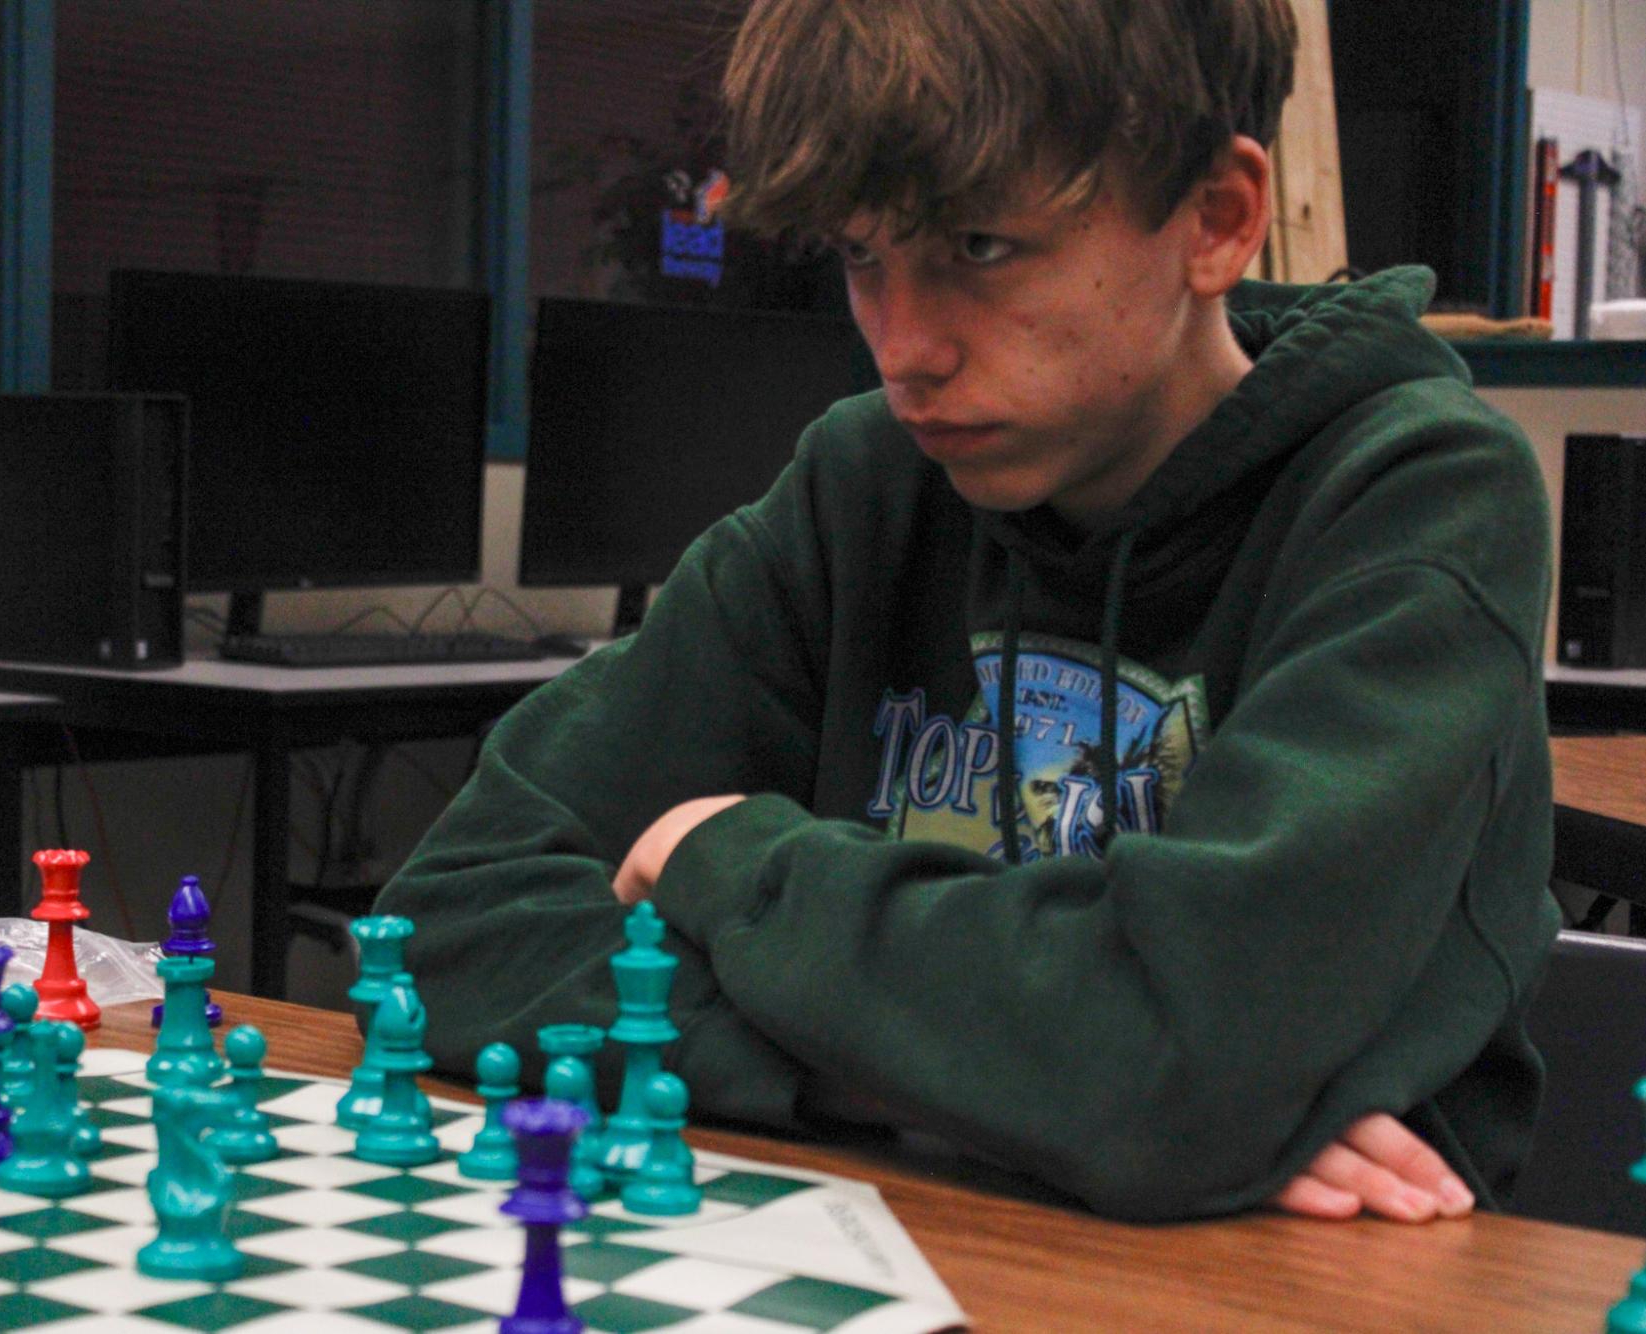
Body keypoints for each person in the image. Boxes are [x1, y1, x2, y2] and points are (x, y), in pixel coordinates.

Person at [376, 0, 1557, 1224]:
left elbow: (1170, 1059)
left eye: (981, 247)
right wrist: (996, 1084)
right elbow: (438, 926)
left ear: (1216, 218)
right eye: (859, 255)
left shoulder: (1416, 498)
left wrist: (739, 867)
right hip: (898, 1241)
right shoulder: (868, 481)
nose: (906, 348)